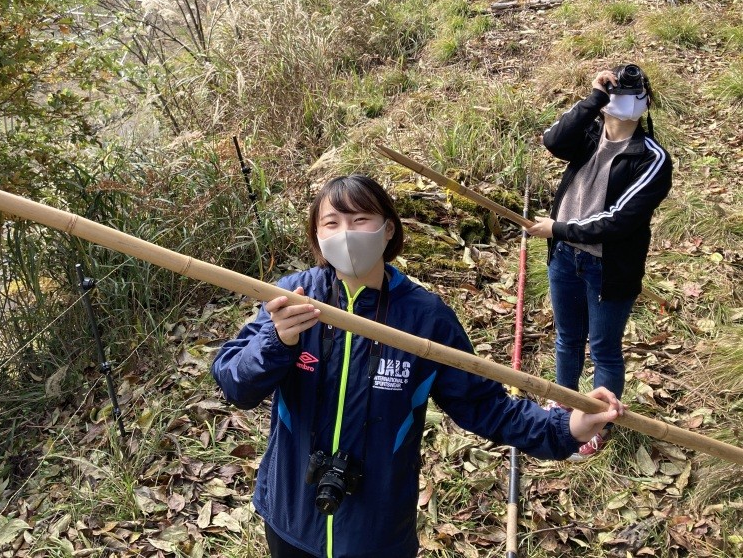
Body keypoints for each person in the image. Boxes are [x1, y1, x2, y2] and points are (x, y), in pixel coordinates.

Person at [212, 174, 624, 558]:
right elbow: (234, 384)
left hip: (378, 529)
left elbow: (485, 406)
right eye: (332, 223)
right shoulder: (292, 297)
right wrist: (277, 340)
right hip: (290, 518)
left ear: (388, 228)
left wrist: (565, 428)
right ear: (317, 235)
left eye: (360, 219)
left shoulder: (425, 318)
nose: (347, 234)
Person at [525, 64, 672, 460]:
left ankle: (595, 423)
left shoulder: (651, 158)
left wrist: (559, 228)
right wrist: (593, 98)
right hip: (565, 257)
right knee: (567, 339)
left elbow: (620, 220)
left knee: (604, 348)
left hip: (608, 269)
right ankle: (562, 409)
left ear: (643, 105)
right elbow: (554, 141)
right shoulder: (589, 136)